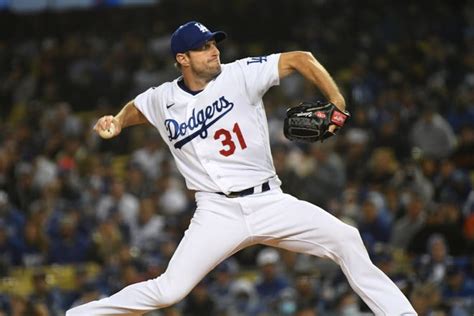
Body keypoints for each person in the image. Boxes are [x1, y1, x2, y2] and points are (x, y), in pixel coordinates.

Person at [66, 21, 416, 315]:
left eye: (213, 43)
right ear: (182, 58)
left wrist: (337, 102)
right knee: (169, 291)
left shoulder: (240, 75)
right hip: (217, 211)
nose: (214, 50)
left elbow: (300, 59)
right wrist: (117, 120)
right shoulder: (162, 98)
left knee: (345, 237)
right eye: (203, 47)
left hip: (269, 201)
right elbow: (138, 109)